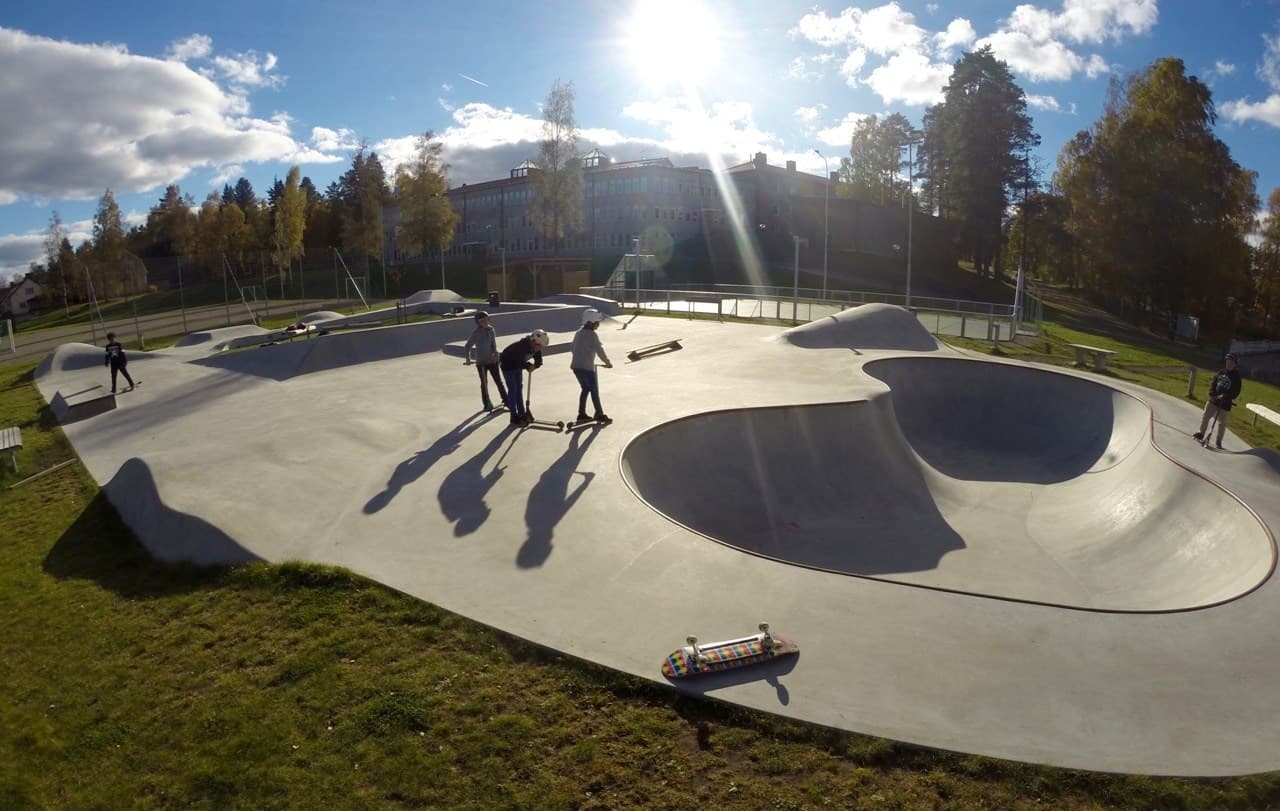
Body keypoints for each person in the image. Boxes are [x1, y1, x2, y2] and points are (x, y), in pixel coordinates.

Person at [570, 309, 613, 423]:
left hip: (575, 367)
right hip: (586, 368)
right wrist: (608, 363)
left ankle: (581, 413)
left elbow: (572, 348)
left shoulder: (578, 333)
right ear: (591, 322)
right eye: (597, 323)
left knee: (585, 389)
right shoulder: (592, 335)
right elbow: (600, 351)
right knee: (594, 390)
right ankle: (599, 413)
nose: (598, 325)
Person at [499, 329, 548, 426]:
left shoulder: (536, 348)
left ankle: (522, 413)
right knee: (513, 390)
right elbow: (518, 361)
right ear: (534, 342)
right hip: (508, 366)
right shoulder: (521, 346)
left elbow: (538, 360)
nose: (540, 349)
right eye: (539, 346)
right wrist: (528, 366)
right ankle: (514, 416)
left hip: (518, 367)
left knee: (519, 389)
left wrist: (535, 365)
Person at [1193, 352, 1242, 449]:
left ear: (1235, 365)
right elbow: (1213, 383)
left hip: (1225, 403)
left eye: (1231, 363)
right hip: (1214, 400)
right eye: (1227, 362)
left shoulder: (1236, 377)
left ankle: (1218, 441)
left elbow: (1236, 391)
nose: (1229, 364)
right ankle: (1201, 433)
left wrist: (1227, 396)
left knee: (1222, 423)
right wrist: (1212, 394)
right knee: (1206, 416)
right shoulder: (1221, 372)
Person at [462, 310, 508, 412]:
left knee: (499, 381)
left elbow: (493, 344)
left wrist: (496, 354)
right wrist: (468, 358)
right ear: (478, 323)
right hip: (481, 363)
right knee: (484, 383)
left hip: (492, 361)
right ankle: (487, 404)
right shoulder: (476, 333)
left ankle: (506, 400)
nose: (485, 322)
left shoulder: (492, 330)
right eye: (482, 321)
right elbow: (467, 346)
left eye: (486, 320)